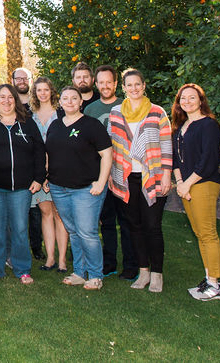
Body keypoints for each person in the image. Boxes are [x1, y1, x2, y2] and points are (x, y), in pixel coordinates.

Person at [108, 68, 172, 293]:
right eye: (129, 85)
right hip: (125, 178)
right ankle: (143, 271)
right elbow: (111, 146)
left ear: (144, 86)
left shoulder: (157, 112)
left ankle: (157, 274)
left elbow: (166, 145)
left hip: (152, 177)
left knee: (152, 226)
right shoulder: (116, 113)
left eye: (138, 84)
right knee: (133, 226)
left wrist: (166, 174)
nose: (134, 88)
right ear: (123, 88)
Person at [45, 86, 113, 291]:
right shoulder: (55, 125)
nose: (70, 101)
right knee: (73, 231)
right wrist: (47, 176)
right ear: (60, 102)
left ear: (80, 102)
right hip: (59, 188)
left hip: (86, 189)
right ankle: (79, 272)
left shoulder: (92, 125)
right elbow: (51, 154)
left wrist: (101, 182)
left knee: (87, 232)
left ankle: (95, 275)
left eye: (74, 98)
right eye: (65, 98)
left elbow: (107, 155)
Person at [0, 84, 45, 284]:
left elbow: (39, 151)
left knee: (20, 229)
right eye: (2, 97)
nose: (6, 101)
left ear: (15, 100)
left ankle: (22, 269)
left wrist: (39, 178)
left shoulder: (27, 123)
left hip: (22, 188)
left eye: (10, 98)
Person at [171, 83, 220, 301]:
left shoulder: (208, 125)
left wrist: (187, 184)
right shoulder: (181, 126)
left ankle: (215, 285)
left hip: (203, 184)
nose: (187, 102)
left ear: (201, 100)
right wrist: (180, 182)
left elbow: (208, 159)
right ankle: (208, 278)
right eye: (183, 98)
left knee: (208, 233)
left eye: (192, 98)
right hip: (187, 186)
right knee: (200, 233)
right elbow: (175, 158)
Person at [84, 65, 137, 280]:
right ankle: (108, 263)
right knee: (106, 221)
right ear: (96, 84)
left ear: (116, 84)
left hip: (125, 173)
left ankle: (131, 265)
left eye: (109, 82)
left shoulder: (126, 106)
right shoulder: (90, 110)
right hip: (100, 174)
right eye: (101, 82)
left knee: (127, 221)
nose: (105, 86)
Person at [30, 77, 68, 273]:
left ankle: (62, 260)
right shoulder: (30, 114)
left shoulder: (61, 113)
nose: (42, 93)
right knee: (45, 213)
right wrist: (41, 175)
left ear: (51, 91)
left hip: (59, 170)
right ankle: (50, 258)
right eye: (39, 90)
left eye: (46, 89)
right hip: (38, 171)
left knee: (59, 215)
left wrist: (49, 173)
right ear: (34, 93)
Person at [13, 67, 44, 261]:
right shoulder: (10, 104)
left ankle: (37, 247)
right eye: (19, 78)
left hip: (35, 164)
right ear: (13, 80)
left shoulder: (36, 105)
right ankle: (18, 248)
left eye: (26, 78)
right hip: (16, 166)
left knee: (35, 212)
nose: (23, 81)